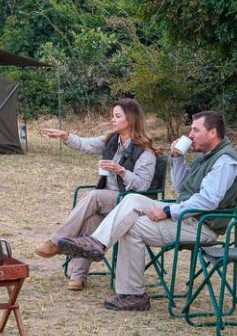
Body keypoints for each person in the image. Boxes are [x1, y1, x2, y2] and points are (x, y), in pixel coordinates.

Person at [56, 111, 237, 310]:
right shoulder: (205, 156)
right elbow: (182, 187)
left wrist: (169, 211)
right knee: (132, 199)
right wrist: (177, 159)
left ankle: (132, 292)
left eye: (196, 130)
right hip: (187, 216)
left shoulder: (225, 161)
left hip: (203, 225)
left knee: (131, 226)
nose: (190, 135)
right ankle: (98, 245)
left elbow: (207, 201)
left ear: (213, 133)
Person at [34, 99, 159, 291]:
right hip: (108, 202)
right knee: (91, 219)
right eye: (113, 116)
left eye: (117, 116)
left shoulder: (145, 151)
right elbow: (85, 144)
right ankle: (78, 277)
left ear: (131, 119)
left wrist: (121, 171)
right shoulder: (111, 140)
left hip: (130, 202)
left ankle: (56, 242)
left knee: (94, 196)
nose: (112, 120)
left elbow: (142, 187)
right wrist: (65, 135)